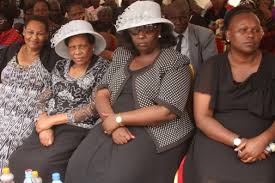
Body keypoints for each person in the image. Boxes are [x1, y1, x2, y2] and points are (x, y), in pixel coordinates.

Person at [65, 1, 194, 183]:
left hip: (156, 130)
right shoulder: (123, 54)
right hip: (111, 120)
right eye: (135, 30)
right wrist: (112, 121)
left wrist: (119, 119)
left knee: (117, 176)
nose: (141, 35)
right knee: (78, 165)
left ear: (159, 30)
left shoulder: (174, 61)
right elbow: (102, 92)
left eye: (148, 29)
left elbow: (166, 111)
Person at [9, 20, 109, 183]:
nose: (77, 52)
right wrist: (43, 126)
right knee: (16, 159)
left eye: (82, 46)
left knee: (44, 164)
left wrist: (51, 120)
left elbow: (93, 108)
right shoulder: (60, 66)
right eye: (72, 47)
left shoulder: (104, 68)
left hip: (77, 128)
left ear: (92, 45)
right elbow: (43, 97)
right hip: (48, 124)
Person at [183, 6, 275, 183]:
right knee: (210, 177)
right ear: (227, 35)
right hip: (218, 136)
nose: (250, 35)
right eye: (243, 30)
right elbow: (202, 118)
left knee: (264, 178)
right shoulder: (212, 66)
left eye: (256, 30)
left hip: (266, 139)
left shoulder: (272, 65)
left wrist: (263, 142)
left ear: (262, 34)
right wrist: (240, 142)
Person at [0, 15, 53, 168]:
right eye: (30, 32)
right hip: (2, 110)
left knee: (8, 142)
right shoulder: (10, 51)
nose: (34, 37)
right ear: (23, 31)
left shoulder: (52, 57)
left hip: (27, 116)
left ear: (47, 35)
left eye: (40, 33)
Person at [162, 0, 217, 73]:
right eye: (173, 18)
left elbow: (211, 68)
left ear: (189, 15)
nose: (178, 22)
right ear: (166, 18)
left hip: (196, 81)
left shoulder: (205, 35)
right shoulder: (160, 36)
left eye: (183, 17)